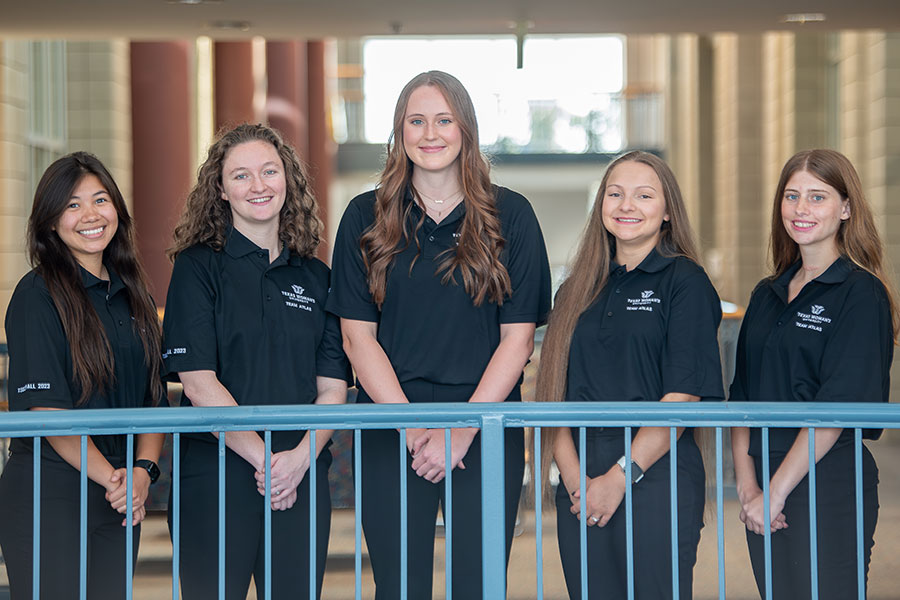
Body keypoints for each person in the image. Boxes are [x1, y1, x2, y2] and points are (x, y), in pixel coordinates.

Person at [327, 70, 551, 598]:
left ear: (466, 130)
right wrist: (413, 431)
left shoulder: (510, 215)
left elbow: (516, 342)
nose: (431, 133)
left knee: (478, 583)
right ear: (399, 132)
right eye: (417, 120)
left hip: (486, 421)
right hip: (390, 422)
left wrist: (463, 430)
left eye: (444, 120)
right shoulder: (365, 215)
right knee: (398, 584)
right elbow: (359, 341)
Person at [161, 123, 351, 599]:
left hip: (302, 472)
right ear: (221, 190)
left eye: (269, 171)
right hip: (216, 473)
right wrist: (268, 463)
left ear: (288, 179)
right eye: (241, 175)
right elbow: (199, 383)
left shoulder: (317, 276)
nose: (258, 185)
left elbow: (331, 389)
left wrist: (298, 461)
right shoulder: (197, 267)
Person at [535, 151, 724, 599]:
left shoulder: (685, 282)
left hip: (655, 471)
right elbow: (551, 395)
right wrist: (578, 480)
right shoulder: (576, 288)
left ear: (666, 211)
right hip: (579, 473)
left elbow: (683, 396)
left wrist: (619, 478)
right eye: (615, 194)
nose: (627, 205)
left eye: (644, 195)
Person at [730, 149, 897, 599]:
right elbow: (741, 400)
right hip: (763, 483)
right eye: (792, 196)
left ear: (846, 208)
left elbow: (838, 407)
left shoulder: (862, 295)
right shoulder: (767, 295)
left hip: (828, 483)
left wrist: (777, 493)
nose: (801, 209)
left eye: (817, 197)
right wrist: (748, 488)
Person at [0, 152, 165, 599]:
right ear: (51, 221)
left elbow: (154, 401)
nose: (90, 215)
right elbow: (48, 411)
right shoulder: (36, 297)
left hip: (117, 496)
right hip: (50, 494)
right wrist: (118, 480)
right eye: (72, 205)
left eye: (101, 199)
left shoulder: (134, 294)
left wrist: (143, 472)